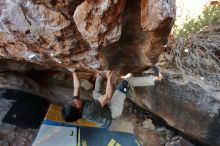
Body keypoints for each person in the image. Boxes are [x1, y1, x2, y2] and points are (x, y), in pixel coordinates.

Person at [62, 70, 129, 128]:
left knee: (95, 94)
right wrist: (109, 77)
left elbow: (76, 86)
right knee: (125, 84)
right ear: (79, 111)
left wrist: (74, 73)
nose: (75, 100)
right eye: (74, 104)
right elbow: (108, 95)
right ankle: (133, 82)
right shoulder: (89, 111)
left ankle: (100, 75)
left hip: (102, 109)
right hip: (112, 112)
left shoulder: (75, 103)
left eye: (71, 101)